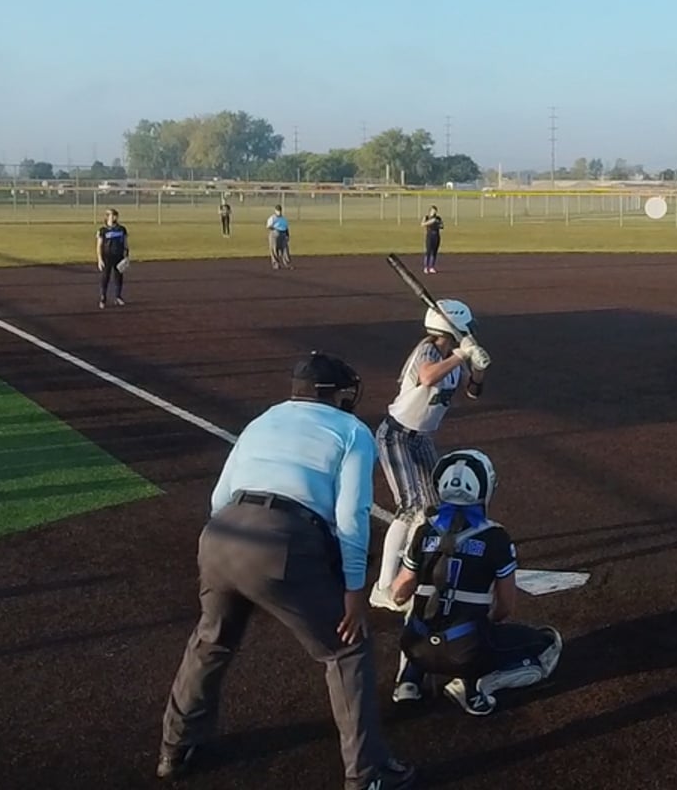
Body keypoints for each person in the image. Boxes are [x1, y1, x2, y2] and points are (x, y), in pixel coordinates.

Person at [157, 352, 417, 790]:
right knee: (346, 649)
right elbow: (351, 517)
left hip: (220, 533)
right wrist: (355, 588)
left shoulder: (262, 420)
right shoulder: (351, 430)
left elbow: (219, 498)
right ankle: (368, 774)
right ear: (334, 394)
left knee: (211, 641)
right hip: (283, 538)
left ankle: (174, 748)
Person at [390, 448, 563, 716]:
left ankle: (409, 682)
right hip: (465, 652)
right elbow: (505, 608)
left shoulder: (423, 531)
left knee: (417, 613)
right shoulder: (495, 537)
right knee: (546, 645)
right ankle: (476, 686)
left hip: (416, 648)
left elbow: (399, 593)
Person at [370, 299, 491, 611]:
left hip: (421, 439)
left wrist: (478, 370)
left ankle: (414, 566)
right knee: (409, 506)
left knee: (434, 506)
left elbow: (473, 392)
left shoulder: (452, 358)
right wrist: (462, 354)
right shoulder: (427, 350)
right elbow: (427, 377)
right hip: (396, 435)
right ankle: (383, 587)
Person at [96, 208, 129, 309]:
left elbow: (125, 243)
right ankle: (103, 298)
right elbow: (99, 246)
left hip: (118, 256)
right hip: (107, 257)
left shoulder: (122, 229)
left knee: (118, 277)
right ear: (107, 217)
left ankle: (118, 297)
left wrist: (126, 255)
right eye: (112, 215)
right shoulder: (103, 230)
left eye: (115, 215)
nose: (115, 217)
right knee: (105, 277)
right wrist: (100, 259)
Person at [268, 205, 293, 269]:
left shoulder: (283, 219)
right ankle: (276, 264)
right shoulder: (272, 218)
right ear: (275, 211)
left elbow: (286, 228)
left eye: (280, 210)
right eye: (277, 210)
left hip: (283, 234)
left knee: (285, 249)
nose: (279, 212)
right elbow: (269, 226)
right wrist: (275, 229)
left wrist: (287, 235)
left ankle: (287, 263)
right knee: (274, 249)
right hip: (274, 234)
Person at [421, 206, 444, 274]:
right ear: (430, 211)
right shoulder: (426, 217)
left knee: (434, 252)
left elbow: (442, 226)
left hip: (436, 236)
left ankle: (431, 267)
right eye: (433, 210)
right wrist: (430, 222)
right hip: (429, 236)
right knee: (428, 251)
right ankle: (426, 267)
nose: (434, 212)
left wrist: (438, 223)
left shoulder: (438, 218)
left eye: (435, 211)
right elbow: (422, 224)